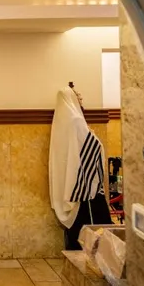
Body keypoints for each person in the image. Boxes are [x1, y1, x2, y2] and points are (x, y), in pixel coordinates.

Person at [49, 85, 112, 250]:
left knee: (76, 229)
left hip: (71, 187)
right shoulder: (76, 121)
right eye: (77, 96)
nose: (81, 99)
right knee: (94, 232)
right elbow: (92, 148)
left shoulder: (61, 124)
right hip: (86, 190)